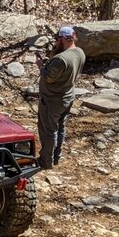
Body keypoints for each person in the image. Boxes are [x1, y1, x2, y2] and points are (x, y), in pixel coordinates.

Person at [36, 26, 85, 169]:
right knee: (61, 127)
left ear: (63, 39)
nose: (56, 42)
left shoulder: (60, 59)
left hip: (52, 100)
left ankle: (46, 161)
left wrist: (41, 66)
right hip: (68, 97)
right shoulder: (80, 52)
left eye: (58, 39)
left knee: (48, 130)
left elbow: (49, 78)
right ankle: (56, 157)